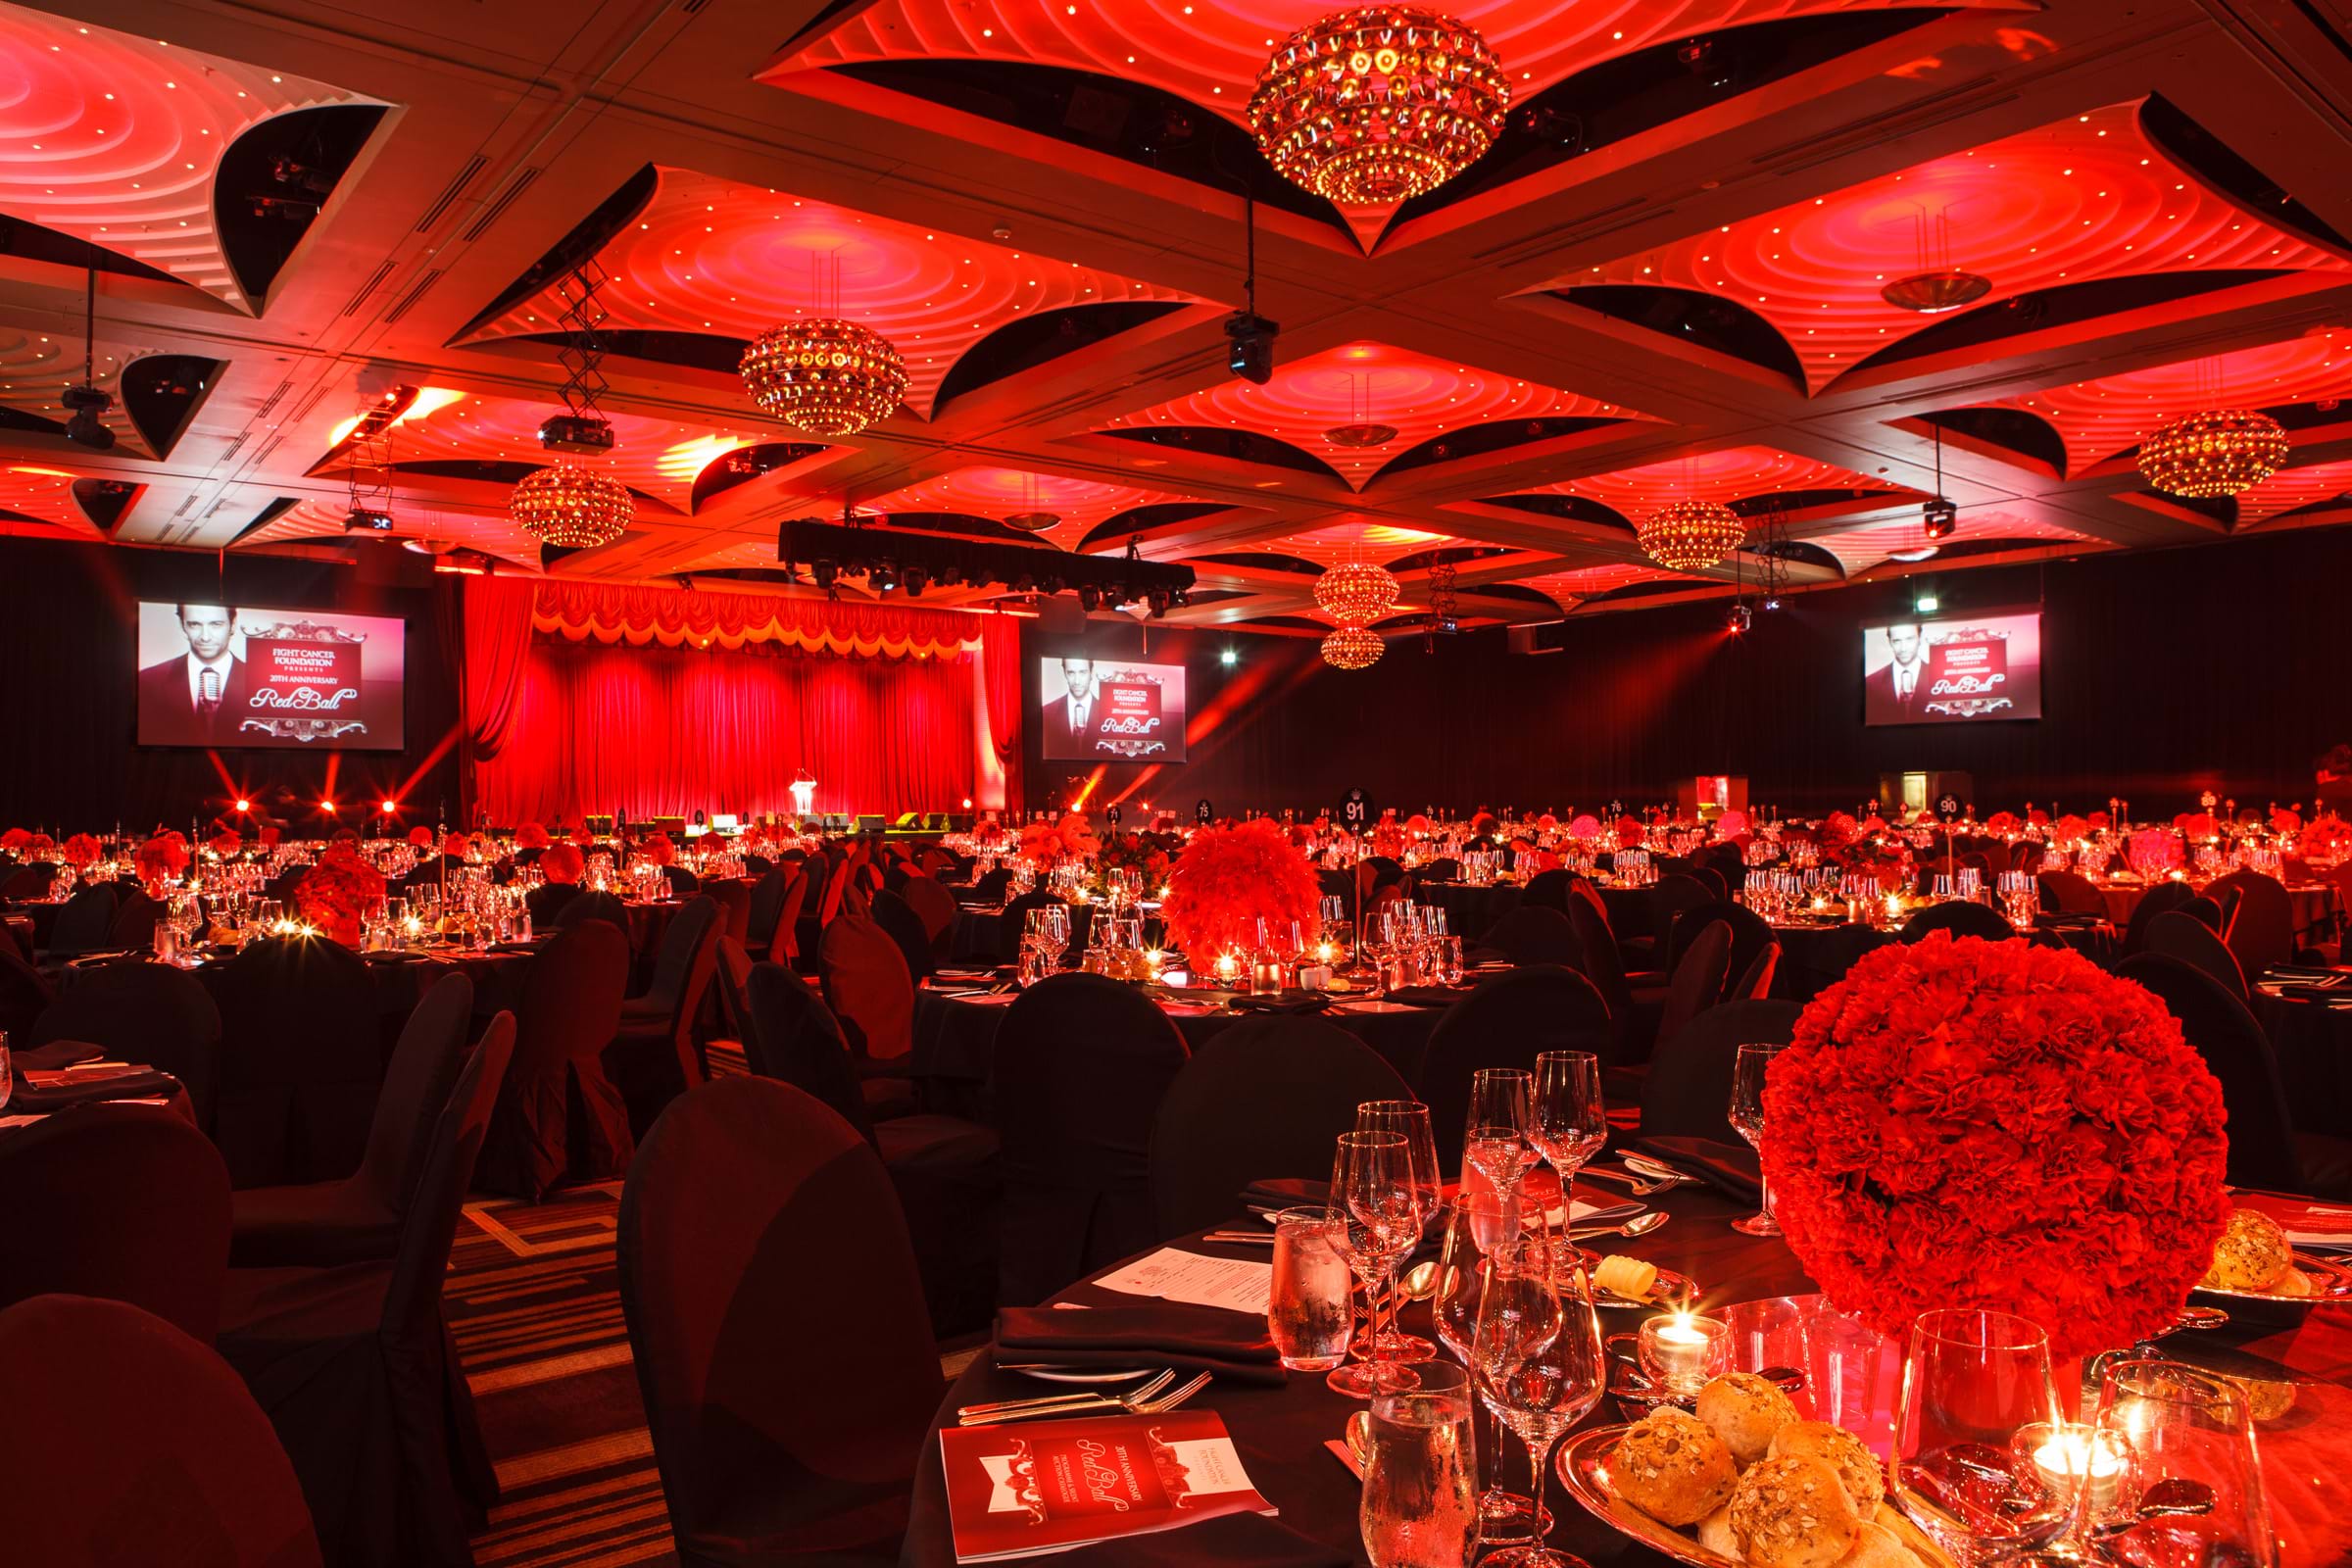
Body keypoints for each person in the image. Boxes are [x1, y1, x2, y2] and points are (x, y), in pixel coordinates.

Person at [137, 603, 248, 745]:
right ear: (182, 626)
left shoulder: (260, 684)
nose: (205, 637)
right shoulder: (148, 681)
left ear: (232, 625)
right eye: (195, 624)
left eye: (216, 624)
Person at [1864, 620, 1932, 724]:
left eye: (1909, 639)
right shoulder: (1870, 683)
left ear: (1920, 639)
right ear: (1889, 642)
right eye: (1896, 641)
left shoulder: (1939, 678)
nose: (1903, 648)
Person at [1040, 656, 1108, 754]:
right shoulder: (1046, 713)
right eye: (1071, 673)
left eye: (1082, 672)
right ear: (1065, 674)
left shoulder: (1108, 715)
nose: (1077, 681)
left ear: (1091, 672)